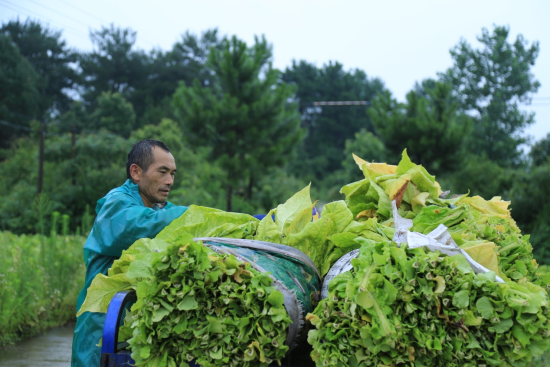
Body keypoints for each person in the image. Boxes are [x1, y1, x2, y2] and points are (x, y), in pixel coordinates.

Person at [71, 139, 188, 367]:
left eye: (173, 174)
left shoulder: (158, 207)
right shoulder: (117, 203)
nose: (170, 181)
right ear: (136, 171)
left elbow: (188, 220)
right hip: (102, 331)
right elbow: (141, 226)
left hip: (136, 330)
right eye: (163, 172)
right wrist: (199, 217)